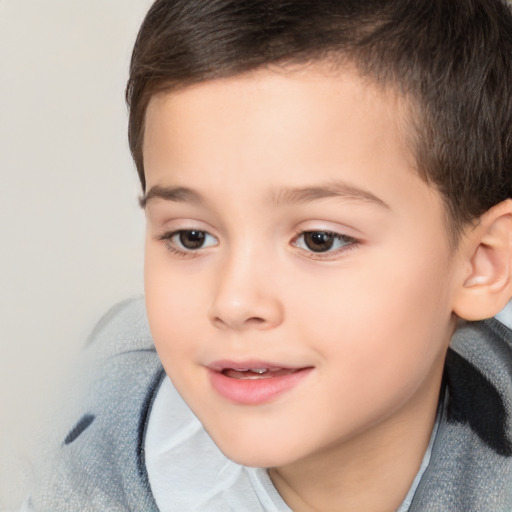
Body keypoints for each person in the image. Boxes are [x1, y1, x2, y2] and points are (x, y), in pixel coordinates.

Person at [25, 0, 512, 510]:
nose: (234, 302)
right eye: (191, 237)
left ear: (482, 262)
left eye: (319, 240)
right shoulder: (78, 455)